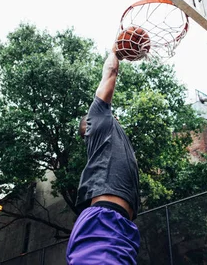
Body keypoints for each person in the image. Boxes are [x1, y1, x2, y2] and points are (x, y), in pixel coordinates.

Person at [66, 45, 140, 265]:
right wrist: (117, 49)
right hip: (104, 218)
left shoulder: (113, 136)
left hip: (122, 225)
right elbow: (110, 73)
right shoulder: (98, 119)